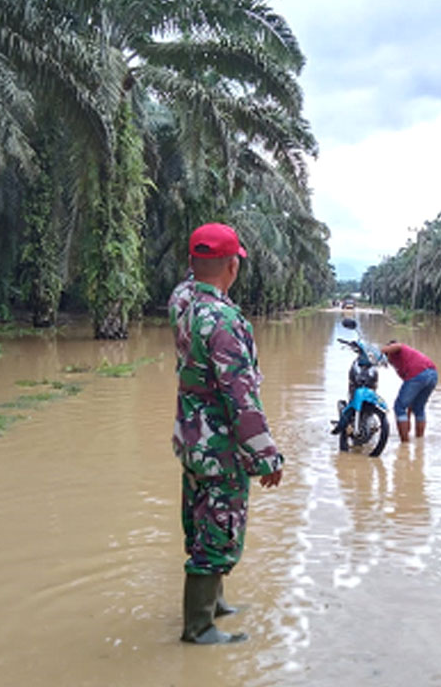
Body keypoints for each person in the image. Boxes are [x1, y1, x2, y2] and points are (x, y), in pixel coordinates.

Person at [168, 222, 284, 645]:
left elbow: (192, 280)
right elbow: (242, 397)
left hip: (191, 441)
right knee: (218, 532)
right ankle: (198, 628)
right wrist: (266, 455)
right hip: (220, 449)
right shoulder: (225, 322)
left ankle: (215, 604)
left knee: (200, 523)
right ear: (232, 266)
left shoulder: (182, 303)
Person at [380, 340, 438, 442]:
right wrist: (407, 419)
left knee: (398, 407)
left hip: (419, 374)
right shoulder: (402, 362)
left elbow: (398, 346)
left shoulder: (399, 350)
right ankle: (419, 440)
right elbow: (412, 397)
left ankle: (404, 442)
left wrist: (378, 351)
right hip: (433, 375)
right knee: (418, 408)